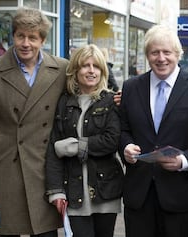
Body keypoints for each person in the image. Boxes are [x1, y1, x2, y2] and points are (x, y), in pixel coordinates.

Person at [0, 7, 68, 237]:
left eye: (32, 37)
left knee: (45, 232)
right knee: (6, 230)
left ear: (42, 40)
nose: (26, 43)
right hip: (5, 169)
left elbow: (85, 93)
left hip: (45, 168)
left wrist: (114, 98)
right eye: (20, 36)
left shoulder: (61, 69)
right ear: (12, 36)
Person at [119, 24, 188, 237]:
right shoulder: (131, 87)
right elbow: (123, 129)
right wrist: (125, 147)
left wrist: (184, 161)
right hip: (139, 197)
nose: (161, 58)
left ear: (178, 54)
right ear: (147, 55)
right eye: (154, 52)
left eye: (167, 52)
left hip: (180, 197)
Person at [45, 44, 123, 237]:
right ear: (75, 70)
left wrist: (74, 147)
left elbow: (111, 141)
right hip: (73, 192)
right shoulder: (64, 102)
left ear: (103, 71)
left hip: (104, 192)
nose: (91, 71)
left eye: (96, 66)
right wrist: (56, 191)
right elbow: (53, 149)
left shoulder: (110, 101)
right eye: (85, 66)